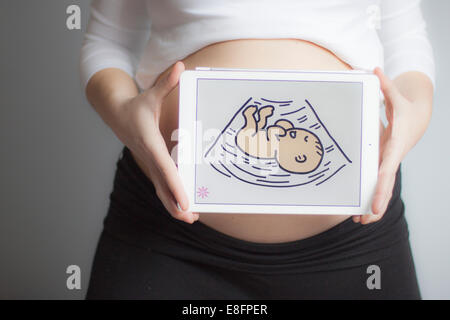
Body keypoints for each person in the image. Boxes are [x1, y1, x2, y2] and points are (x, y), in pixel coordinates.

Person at [80, 0, 434, 299]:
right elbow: (108, 40)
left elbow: (405, 41)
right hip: (164, 235)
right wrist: (125, 113)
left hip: (355, 243)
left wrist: (412, 114)